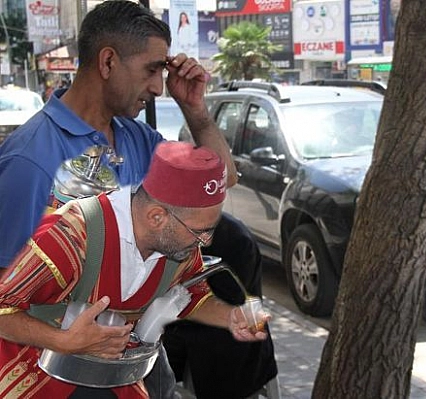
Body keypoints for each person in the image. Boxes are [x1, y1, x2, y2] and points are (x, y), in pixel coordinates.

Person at [0, 0, 276, 397]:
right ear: (108, 62)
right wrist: (63, 340)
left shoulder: (136, 138)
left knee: (237, 242)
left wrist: (195, 109)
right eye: (151, 70)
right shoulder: (30, 160)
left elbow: (219, 180)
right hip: (46, 373)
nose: (158, 88)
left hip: (135, 355)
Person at [0, 141, 268, 398]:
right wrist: (64, 341)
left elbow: (189, 295)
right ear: (156, 217)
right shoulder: (71, 237)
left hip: (114, 379)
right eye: (199, 231)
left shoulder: (179, 246)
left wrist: (230, 317)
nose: (206, 242)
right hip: (32, 378)